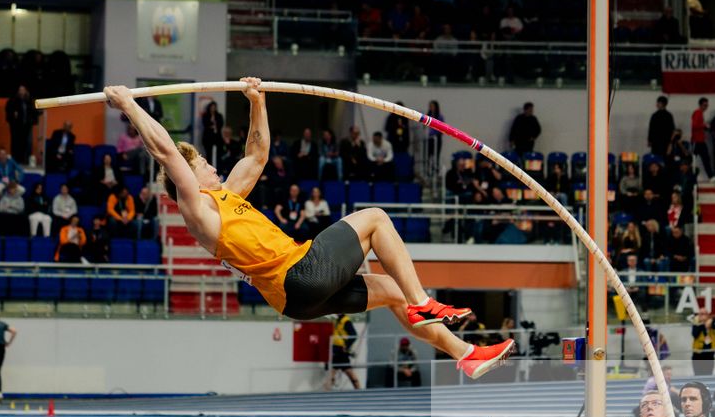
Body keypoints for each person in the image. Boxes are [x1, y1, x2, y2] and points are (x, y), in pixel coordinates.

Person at [108, 80, 513, 379]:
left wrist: (257, 101)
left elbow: (257, 151)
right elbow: (164, 149)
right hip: (298, 274)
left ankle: (466, 354)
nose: (213, 167)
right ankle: (423, 300)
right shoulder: (197, 210)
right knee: (374, 218)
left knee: (391, 291)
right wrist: (129, 104)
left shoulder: (228, 196)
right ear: (189, 180)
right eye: (203, 166)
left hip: (294, 298)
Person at [326, 314, 361, 390]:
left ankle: (358, 389)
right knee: (336, 371)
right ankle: (327, 390)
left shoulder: (346, 321)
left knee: (347, 371)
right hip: (337, 350)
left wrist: (346, 346)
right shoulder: (339, 320)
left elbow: (354, 334)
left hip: (341, 351)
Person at [690, 311, 715, 376]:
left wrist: (711, 320)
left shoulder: (712, 323)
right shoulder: (696, 324)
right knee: (698, 375)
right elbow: (695, 334)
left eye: (704, 314)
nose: (702, 316)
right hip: (698, 355)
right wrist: (701, 324)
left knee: (708, 375)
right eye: (700, 314)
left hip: (709, 355)